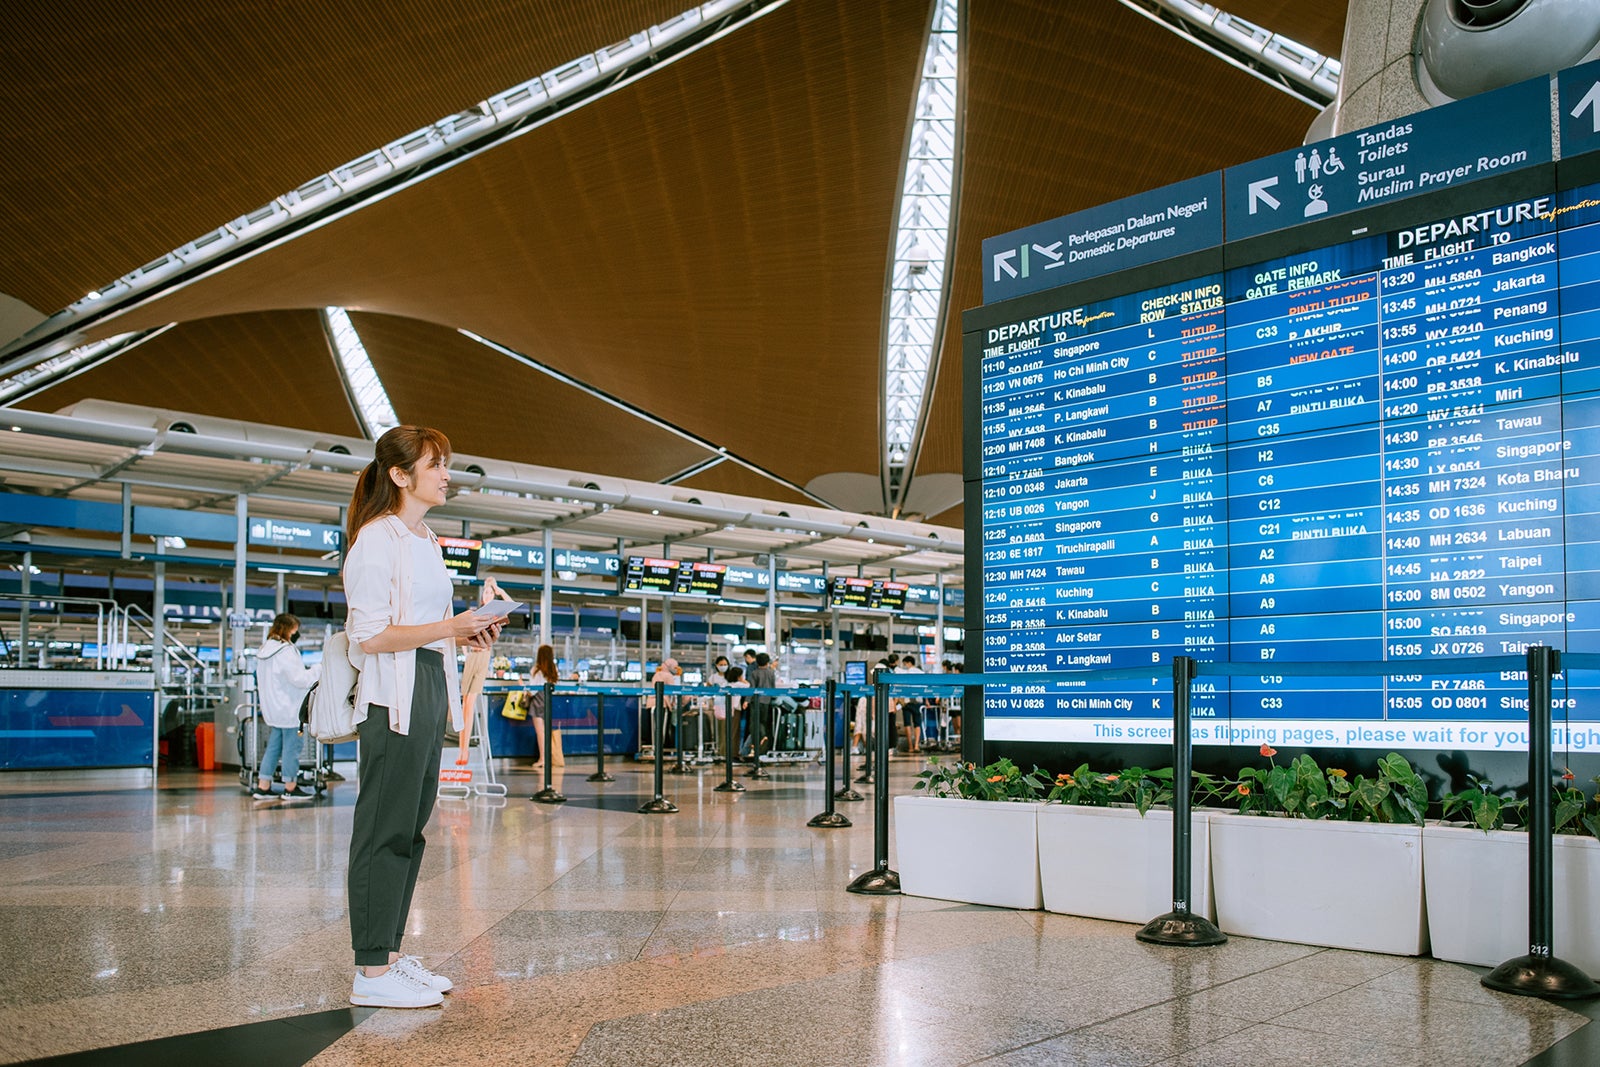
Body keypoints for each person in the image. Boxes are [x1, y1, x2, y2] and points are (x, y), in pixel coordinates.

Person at [342, 425, 501, 1010]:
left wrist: (472, 626)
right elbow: (370, 636)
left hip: (428, 687)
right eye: (436, 464)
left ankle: (387, 953)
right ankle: (369, 969)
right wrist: (451, 626)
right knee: (382, 828)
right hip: (392, 699)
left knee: (410, 830)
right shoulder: (375, 541)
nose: (446, 474)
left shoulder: (427, 540)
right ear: (400, 475)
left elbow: (430, 626)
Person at [252, 613, 319, 802]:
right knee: (292, 748)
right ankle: (290, 787)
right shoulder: (285, 651)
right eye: (294, 630)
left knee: (273, 747)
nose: (296, 634)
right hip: (289, 709)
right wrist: (317, 669)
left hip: (274, 710)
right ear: (286, 629)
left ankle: (263, 786)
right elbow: (299, 679)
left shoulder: (265, 650)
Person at [528, 643, 560, 768]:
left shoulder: (537, 670)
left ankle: (543, 759)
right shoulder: (553, 670)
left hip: (537, 702)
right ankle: (548, 757)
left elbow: (532, 691)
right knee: (546, 731)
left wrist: (521, 684)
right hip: (548, 701)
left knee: (540, 732)